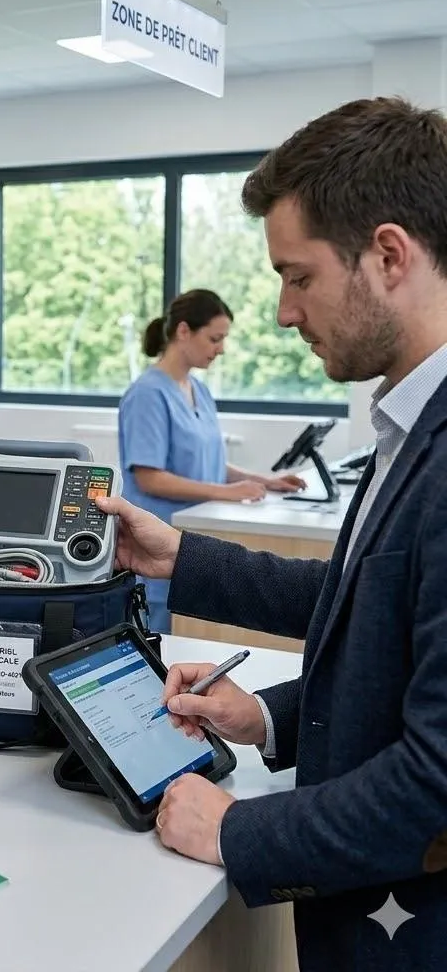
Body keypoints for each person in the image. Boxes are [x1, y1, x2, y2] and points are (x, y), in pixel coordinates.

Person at [95, 96, 447, 972]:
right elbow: (375, 615)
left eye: (298, 276)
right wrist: (263, 714)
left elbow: (437, 786)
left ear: (389, 255)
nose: (286, 313)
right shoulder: (412, 425)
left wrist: (243, 830)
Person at [118, 289, 306, 633]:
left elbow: (208, 461)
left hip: (195, 541)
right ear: (184, 331)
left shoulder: (197, 389)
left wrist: (261, 481)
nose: (221, 348)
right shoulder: (147, 394)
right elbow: (150, 478)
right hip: (157, 542)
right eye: (215, 338)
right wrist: (227, 493)